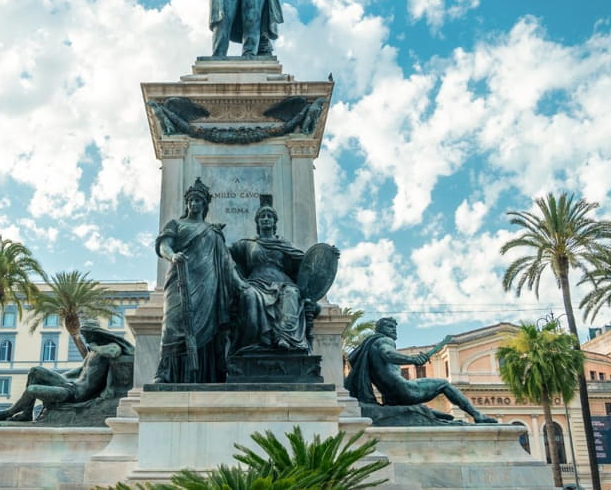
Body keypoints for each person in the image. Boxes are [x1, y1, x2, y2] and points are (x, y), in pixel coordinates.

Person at [154, 178, 233, 383]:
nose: (194, 204)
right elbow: (164, 246)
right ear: (187, 204)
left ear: (205, 205)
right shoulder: (176, 224)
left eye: (199, 201)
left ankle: (205, 374)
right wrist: (172, 256)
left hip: (207, 283)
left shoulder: (212, 231)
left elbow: (225, 262)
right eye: (191, 201)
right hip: (179, 277)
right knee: (173, 323)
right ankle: (166, 373)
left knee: (205, 326)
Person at [344, 317, 497, 423]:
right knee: (444, 384)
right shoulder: (384, 340)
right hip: (404, 389)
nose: (394, 331)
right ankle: (478, 416)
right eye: (390, 327)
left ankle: (430, 415)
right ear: (380, 329)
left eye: (395, 327)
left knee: (427, 410)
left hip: (390, 396)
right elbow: (388, 353)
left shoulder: (369, 347)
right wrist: (412, 360)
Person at [227, 198, 322, 353]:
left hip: (282, 282)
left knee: (292, 293)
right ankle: (252, 344)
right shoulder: (247, 244)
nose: (266, 219)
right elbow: (226, 255)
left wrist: (327, 257)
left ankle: (285, 338)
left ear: (274, 222)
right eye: (262, 217)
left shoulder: (284, 245)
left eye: (269, 216)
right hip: (256, 282)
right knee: (249, 295)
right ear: (257, 222)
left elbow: (305, 264)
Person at [0, 324, 133, 422]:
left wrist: (95, 347)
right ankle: (27, 412)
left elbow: (115, 352)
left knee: (32, 390)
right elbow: (78, 372)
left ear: (95, 334)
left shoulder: (107, 348)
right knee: (35, 371)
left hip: (76, 394)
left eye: (87, 335)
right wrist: (55, 379)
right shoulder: (91, 354)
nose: (85, 338)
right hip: (69, 386)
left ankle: (9, 412)